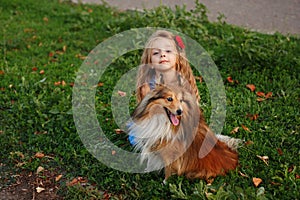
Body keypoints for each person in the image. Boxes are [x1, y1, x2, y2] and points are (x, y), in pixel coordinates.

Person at [129, 30, 242, 150]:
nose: (162, 55)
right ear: (150, 62)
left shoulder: (183, 83)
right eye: (156, 53)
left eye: (168, 51)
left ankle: (212, 140)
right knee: (143, 140)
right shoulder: (148, 85)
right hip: (155, 125)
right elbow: (146, 114)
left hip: (180, 124)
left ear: (178, 57)